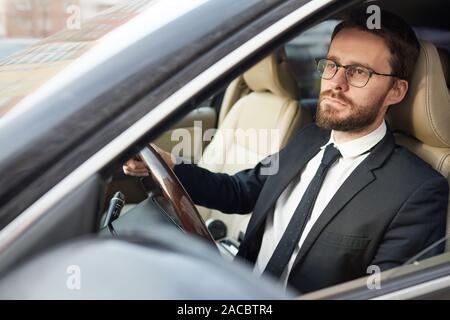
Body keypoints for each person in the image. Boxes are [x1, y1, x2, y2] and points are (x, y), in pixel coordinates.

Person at [123, 9, 449, 293]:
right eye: (332, 64)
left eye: (359, 72)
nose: (336, 82)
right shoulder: (310, 139)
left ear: (396, 90)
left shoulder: (419, 192)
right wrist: (172, 165)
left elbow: (386, 295)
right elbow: (241, 191)